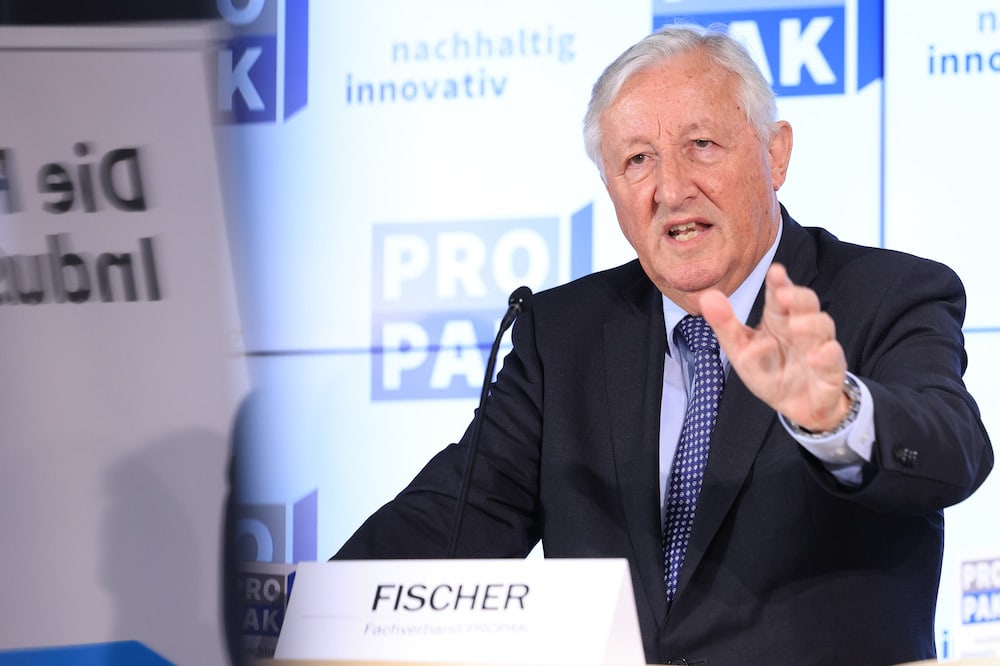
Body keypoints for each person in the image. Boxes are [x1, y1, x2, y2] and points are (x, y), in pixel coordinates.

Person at [334, 24, 994, 665]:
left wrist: (836, 415)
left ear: (775, 154)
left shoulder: (888, 293)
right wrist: (315, 615)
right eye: (637, 160)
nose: (671, 189)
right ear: (611, 189)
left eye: (701, 144)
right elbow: (457, 517)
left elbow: (950, 454)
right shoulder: (561, 336)